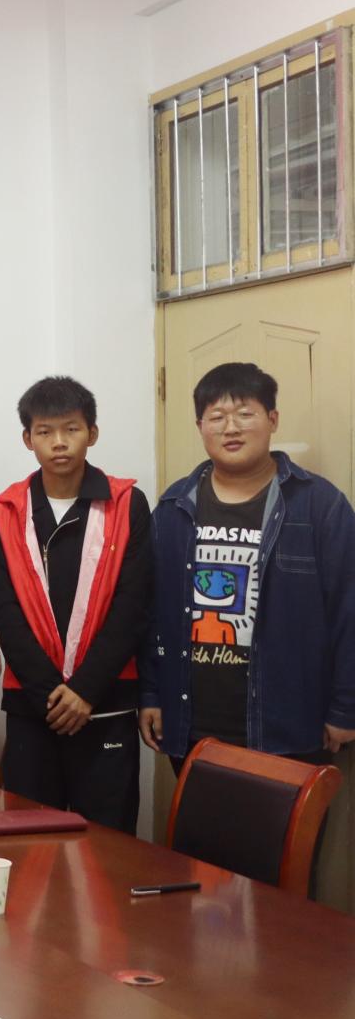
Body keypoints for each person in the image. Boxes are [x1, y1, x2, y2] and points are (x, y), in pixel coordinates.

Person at [139, 363, 355, 908]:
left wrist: (345, 708)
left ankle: (287, 966)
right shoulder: (174, 507)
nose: (230, 427)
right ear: (200, 426)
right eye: (216, 416)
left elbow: (349, 611)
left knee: (282, 881)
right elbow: (153, 611)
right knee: (205, 875)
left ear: (272, 419)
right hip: (195, 724)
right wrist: (151, 693)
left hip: (289, 725)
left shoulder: (320, 505)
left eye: (244, 413)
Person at [0, 376, 151, 833]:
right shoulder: (5, 510)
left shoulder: (126, 503)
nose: (59, 442)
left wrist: (85, 691)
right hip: (34, 706)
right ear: (28, 438)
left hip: (106, 701)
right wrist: (51, 696)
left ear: (92, 433)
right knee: (31, 842)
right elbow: (5, 610)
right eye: (45, 431)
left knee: (108, 842)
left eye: (71, 429)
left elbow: (133, 606)